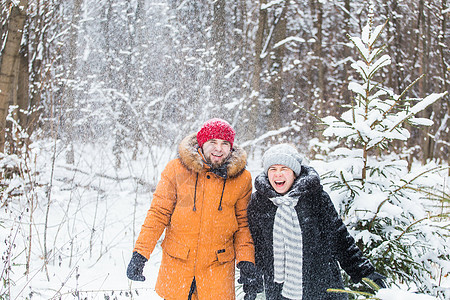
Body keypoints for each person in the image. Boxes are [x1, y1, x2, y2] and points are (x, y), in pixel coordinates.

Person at [126, 118, 261, 300]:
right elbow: (159, 214)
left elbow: (243, 225)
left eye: (224, 143)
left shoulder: (241, 179)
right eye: (213, 142)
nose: (218, 149)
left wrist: (246, 262)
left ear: (231, 147)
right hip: (178, 268)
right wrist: (140, 254)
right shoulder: (176, 170)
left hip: (217, 271)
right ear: (202, 143)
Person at [246, 144, 386, 300]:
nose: (278, 174)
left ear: (294, 173)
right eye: (273, 169)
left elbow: (339, 238)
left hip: (322, 286)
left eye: (284, 169)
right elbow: (257, 248)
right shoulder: (258, 203)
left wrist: (364, 272)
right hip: (280, 290)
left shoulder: (316, 197)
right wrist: (254, 281)